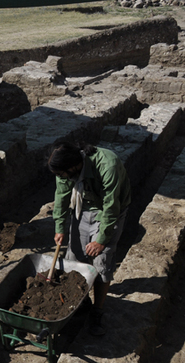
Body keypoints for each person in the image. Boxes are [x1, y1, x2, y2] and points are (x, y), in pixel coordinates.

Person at [49, 141, 131, 336]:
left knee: (101, 262)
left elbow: (111, 207)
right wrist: (60, 228)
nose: (61, 178)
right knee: (74, 258)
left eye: (62, 174)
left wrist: (101, 240)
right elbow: (61, 196)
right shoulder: (65, 170)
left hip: (109, 211)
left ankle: (97, 310)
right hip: (84, 207)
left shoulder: (107, 166)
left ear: (73, 167)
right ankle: (81, 302)